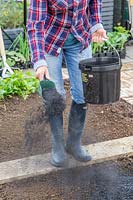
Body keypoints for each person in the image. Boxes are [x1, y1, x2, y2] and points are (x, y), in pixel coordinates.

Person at [27, 0, 107, 167]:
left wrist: (96, 23)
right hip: (50, 40)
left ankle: (73, 143)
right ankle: (58, 146)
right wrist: (39, 61)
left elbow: (94, 2)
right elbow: (35, 24)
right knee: (54, 95)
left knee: (84, 90)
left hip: (80, 37)